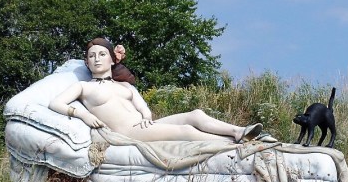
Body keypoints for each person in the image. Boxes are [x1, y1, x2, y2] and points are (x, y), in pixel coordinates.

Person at [49, 38, 262, 143]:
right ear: (86, 62)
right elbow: (56, 103)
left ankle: (238, 132)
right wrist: (83, 114)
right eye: (92, 56)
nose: (96, 59)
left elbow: (144, 108)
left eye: (101, 54)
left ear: (112, 59)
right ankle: (233, 145)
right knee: (186, 131)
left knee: (195, 115)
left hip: (144, 125)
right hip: (127, 132)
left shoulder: (125, 86)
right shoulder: (84, 86)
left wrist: (146, 115)